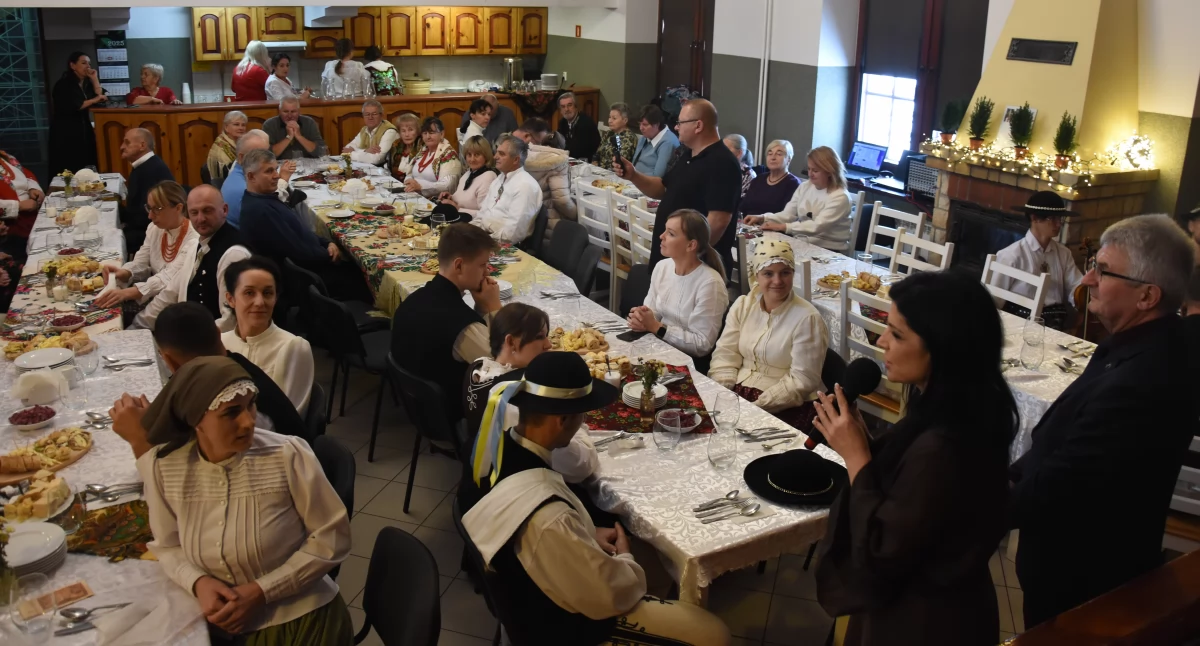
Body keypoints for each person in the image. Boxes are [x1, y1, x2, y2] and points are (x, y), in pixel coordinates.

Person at [462, 351, 731, 646]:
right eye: (582, 415)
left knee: (652, 557)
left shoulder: (495, 448)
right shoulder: (550, 519)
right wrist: (626, 557)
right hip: (556, 625)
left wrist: (584, 534)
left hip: (528, 579)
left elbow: (536, 528)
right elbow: (612, 594)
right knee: (713, 633)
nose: (584, 422)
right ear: (561, 420)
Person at [1009, 214, 1199, 629]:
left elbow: (1066, 479)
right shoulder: (1135, 342)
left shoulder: (1146, 379)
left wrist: (978, 508)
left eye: (1104, 270)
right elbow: (1057, 437)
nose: (1089, 279)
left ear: (1147, 295)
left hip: (1083, 579)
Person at [813, 270, 1017, 646]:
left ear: (944, 347)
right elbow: (914, 495)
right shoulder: (960, 406)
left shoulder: (948, 444)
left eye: (898, 334)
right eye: (886, 327)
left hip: (924, 621)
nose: (883, 342)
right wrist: (865, 440)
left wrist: (857, 457)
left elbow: (882, 549)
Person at [136, 357, 352, 644]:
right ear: (196, 419)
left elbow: (332, 537)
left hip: (300, 618)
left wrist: (262, 591)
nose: (249, 421)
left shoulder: (288, 455)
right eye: (231, 412)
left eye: (251, 404)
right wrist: (199, 582)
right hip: (213, 619)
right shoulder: (163, 467)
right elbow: (168, 544)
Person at [110, 302, 310, 457]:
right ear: (217, 333)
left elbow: (188, 483)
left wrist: (139, 438)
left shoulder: (229, 399)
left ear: (168, 360)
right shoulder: (231, 368)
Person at [460, 303, 601, 512]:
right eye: (539, 337)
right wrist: (577, 418)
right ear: (512, 342)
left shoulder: (478, 366)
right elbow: (578, 466)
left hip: (480, 481)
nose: (548, 345)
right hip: (517, 498)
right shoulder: (518, 402)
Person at [615, 99, 742, 277]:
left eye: (680, 123)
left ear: (698, 125)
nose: (676, 127)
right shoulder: (689, 154)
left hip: (693, 268)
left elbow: (718, 221)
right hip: (671, 260)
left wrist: (686, 260)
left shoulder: (722, 163)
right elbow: (663, 188)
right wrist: (633, 175)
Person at [709, 240, 828, 429]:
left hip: (784, 403)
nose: (778, 281)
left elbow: (802, 381)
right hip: (737, 393)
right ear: (756, 275)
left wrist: (757, 406)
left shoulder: (807, 318)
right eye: (768, 273)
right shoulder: (743, 306)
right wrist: (722, 393)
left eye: (785, 273)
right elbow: (725, 354)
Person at [391, 223, 501, 423]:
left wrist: (481, 309)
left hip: (417, 409)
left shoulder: (415, 298)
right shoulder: (463, 327)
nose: (487, 272)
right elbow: (502, 367)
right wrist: (494, 309)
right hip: (451, 420)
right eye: (482, 265)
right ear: (458, 265)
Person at [237, 149, 371, 304]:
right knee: (363, 271)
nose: (276, 175)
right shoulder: (261, 211)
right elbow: (299, 252)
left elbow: (301, 231)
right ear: (251, 176)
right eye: (269, 171)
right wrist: (330, 255)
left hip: (311, 267)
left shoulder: (264, 199)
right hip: (308, 279)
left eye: (275, 169)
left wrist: (326, 243)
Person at [628, 209, 730, 369]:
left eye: (671, 234)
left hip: (688, 363)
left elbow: (702, 345)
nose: (661, 236)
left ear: (691, 245)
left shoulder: (710, 284)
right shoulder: (662, 267)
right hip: (659, 348)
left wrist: (656, 327)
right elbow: (652, 311)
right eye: (664, 230)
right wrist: (642, 318)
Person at [97, 181, 201, 330]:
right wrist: (126, 272)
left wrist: (132, 292)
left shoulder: (193, 240)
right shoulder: (155, 228)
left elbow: (168, 278)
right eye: (149, 208)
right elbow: (141, 261)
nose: (150, 216)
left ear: (178, 208)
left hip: (175, 308)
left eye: (157, 209)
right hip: (152, 297)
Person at [221, 256, 315, 417]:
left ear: (276, 298)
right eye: (249, 293)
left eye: (267, 293)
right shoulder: (220, 344)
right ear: (231, 299)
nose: (259, 302)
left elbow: (291, 419)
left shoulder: (293, 347)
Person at [989, 191, 1086, 330]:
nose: (1058, 224)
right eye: (1052, 219)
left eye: (1060, 219)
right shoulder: (1011, 255)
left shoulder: (1063, 253)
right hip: (1019, 323)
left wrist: (1086, 292)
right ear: (1034, 218)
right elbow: (994, 300)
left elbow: (1076, 287)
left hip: (1056, 324)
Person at [171, 185, 251, 330]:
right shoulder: (197, 244)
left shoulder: (234, 254)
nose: (200, 218)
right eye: (194, 213)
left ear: (224, 210)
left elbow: (230, 320)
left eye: (207, 211)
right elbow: (173, 289)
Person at [743, 146, 852, 251]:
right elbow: (788, 214)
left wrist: (783, 227)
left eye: (815, 170)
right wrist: (762, 218)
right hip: (802, 242)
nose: (810, 174)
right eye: (809, 169)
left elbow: (817, 227)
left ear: (829, 172)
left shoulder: (840, 196)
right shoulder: (806, 186)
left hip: (830, 249)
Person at [471, 134, 543, 244]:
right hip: (485, 238)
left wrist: (481, 240)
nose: (495, 157)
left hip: (506, 246)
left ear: (515, 160)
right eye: (497, 152)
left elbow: (512, 234)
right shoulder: (498, 179)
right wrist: (468, 232)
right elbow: (482, 215)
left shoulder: (525, 185)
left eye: (501, 154)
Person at [512, 117, 576, 231]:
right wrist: (577, 216)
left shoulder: (517, 154)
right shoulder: (558, 161)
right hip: (549, 223)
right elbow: (561, 201)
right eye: (538, 143)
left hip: (523, 218)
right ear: (527, 137)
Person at [118, 127, 176, 253]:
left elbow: (144, 217)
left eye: (127, 143)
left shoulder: (150, 170)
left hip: (157, 233)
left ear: (142, 145)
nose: (122, 147)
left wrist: (119, 211)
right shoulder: (144, 165)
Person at [222, 129, 295, 228]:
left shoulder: (240, 173)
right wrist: (283, 180)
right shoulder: (246, 188)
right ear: (242, 157)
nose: (267, 158)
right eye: (258, 155)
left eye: (267, 152)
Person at [49, 52, 106, 177]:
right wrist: (94, 100)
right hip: (66, 131)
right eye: (84, 63)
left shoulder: (86, 84)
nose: (88, 66)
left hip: (84, 128)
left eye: (89, 63)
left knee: (88, 163)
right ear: (73, 65)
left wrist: (95, 79)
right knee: (69, 166)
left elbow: (101, 97)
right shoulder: (64, 84)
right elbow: (75, 105)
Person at [402, 117, 462, 198]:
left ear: (442, 134)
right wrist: (409, 182)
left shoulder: (449, 155)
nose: (428, 137)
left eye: (432, 133)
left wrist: (420, 186)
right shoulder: (422, 151)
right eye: (425, 133)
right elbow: (409, 174)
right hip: (414, 196)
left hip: (437, 201)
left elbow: (447, 185)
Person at [739, 139, 801, 217]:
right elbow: (743, 207)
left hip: (772, 226)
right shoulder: (758, 179)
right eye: (770, 153)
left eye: (779, 154)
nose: (773, 157)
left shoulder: (793, 183)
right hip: (747, 224)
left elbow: (787, 216)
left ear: (789, 159)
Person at [438, 135, 497, 216]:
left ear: (486, 156)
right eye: (469, 155)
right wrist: (451, 197)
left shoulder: (489, 176)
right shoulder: (468, 173)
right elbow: (464, 200)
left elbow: (486, 214)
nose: (472, 159)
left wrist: (457, 209)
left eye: (477, 154)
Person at [341, 99, 397, 166]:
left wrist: (353, 153)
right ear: (363, 116)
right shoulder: (364, 130)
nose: (370, 117)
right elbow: (346, 150)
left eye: (374, 114)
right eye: (367, 114)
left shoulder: (389, 131)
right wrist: (365, 151)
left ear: (381, 115)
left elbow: (377, 159)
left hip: (384, 172)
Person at [631, 105, 680, 178]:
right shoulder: (645, 137)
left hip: (649, 185)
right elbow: (634, 163)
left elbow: (658, 176)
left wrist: (633, 175)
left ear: (656, 124)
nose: (641, 128)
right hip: (634, 181)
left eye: (645, 124)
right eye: (639, 124)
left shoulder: (668, 142)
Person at [556, 91, 601, 161]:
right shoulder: (563, 122)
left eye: (569, 105)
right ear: (560, 110)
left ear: (576, 106)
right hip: (569, 159)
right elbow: (559, 143)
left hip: (586, 162)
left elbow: (580, 150)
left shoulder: (586, 123)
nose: (566, 109)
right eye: (563, 107)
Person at [205, 111, 247, 182]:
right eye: (236, 124)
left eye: (243, 125)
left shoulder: (233, 141)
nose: (241, 128)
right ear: (226, 127)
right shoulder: (221, 150)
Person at [385, 113, 422, 180]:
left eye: (410, 130)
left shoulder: (423, 147)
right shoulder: (396, 145)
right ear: (399, 133)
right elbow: (389, 169)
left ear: (417, 131)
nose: (407, 134)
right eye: (403, 131)